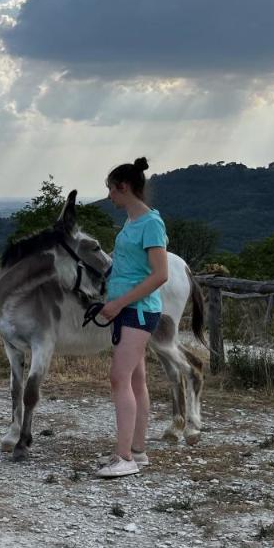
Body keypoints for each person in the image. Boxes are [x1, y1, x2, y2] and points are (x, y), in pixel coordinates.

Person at [95, 157, 169, 479]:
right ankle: (137, 451)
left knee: (119, 378)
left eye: (110, 189)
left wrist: (118, 303)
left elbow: (160, 275)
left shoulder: (151, 224)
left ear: (123, 187)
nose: (109, 195)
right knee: (136, 380)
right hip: (127, 308)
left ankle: (123, 457)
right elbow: (129, 265)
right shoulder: (131, 221)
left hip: (137, 310)